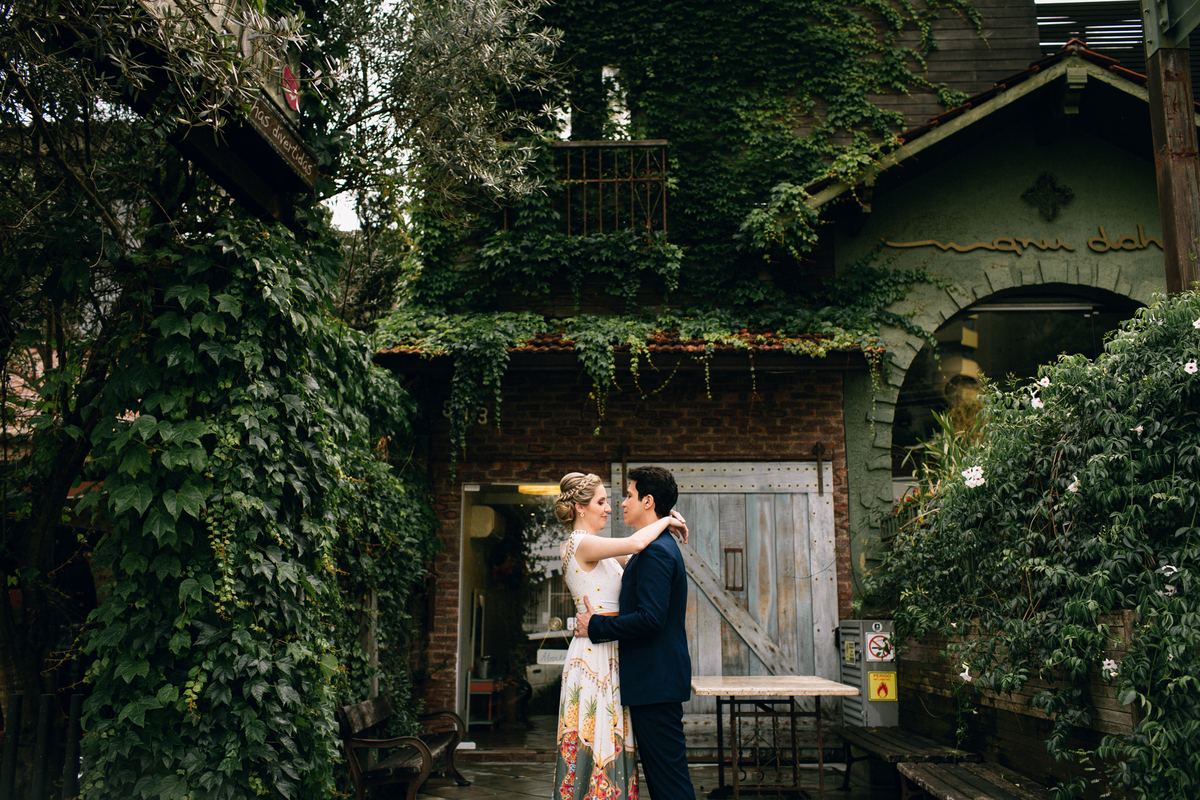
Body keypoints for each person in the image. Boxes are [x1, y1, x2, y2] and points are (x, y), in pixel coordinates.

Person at [552, 472, 687, 800]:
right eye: (602, 501)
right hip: (595, 658)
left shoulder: (614, 550)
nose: (613, 507)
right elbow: (638, 543)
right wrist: (667, 521)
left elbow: (639, 556)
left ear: (647, 501)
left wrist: (663, 522)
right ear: (581, 508)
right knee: (597, 753)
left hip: (617, 657)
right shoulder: (581, 543)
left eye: (624, 497)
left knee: (619, 757)